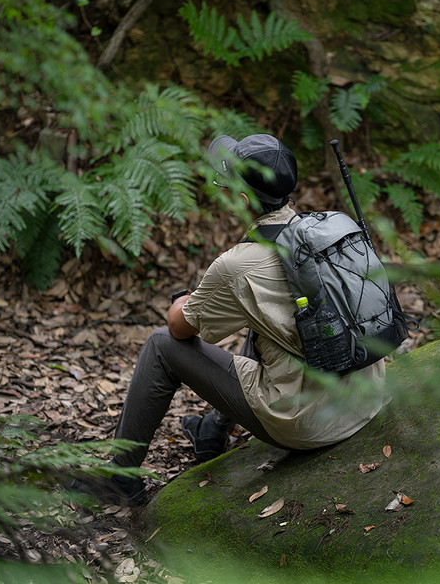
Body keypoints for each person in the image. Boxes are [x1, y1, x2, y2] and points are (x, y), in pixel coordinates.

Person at [69, 134, 387, 505]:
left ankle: (120, 478)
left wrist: (186, 299)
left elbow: (178, 327)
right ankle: (211, 432)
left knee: (160, 345)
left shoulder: (238, 265)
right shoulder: (330, 228)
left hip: (310, 421)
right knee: (275, 318)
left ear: (243, 199)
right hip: (366, 396)